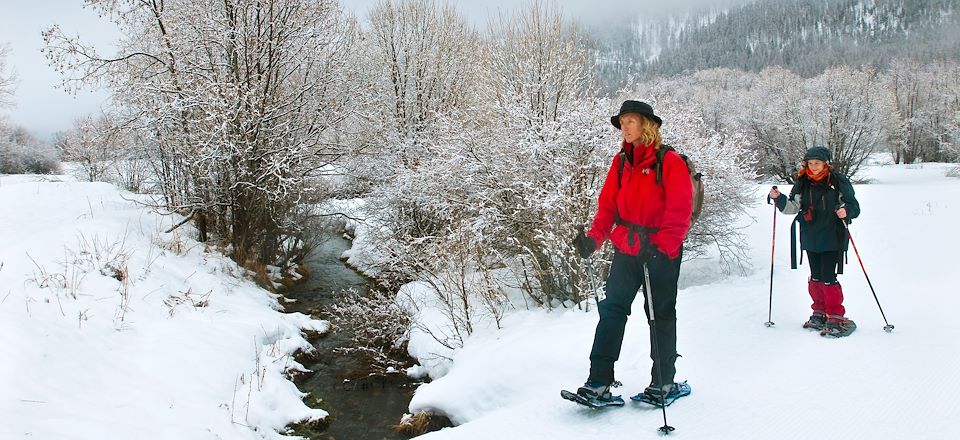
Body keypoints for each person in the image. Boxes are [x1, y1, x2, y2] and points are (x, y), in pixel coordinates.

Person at [570, 100, 694, 406]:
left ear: (646, 125)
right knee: (612, 310)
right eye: (622, 122)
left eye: (630, 121)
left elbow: (680, 211)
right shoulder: (621, 162)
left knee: (659, 315)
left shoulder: (670, 161)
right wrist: (592, 240)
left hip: (659, 254)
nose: (624, 127)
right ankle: (598, 382)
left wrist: (663, 247)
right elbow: (608, 207)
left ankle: (663, 383)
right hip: (626, 250)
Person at [769, 146, 861, 337]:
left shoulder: (837, 181)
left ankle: (835, 315)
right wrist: (778, 199)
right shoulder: (803, 182)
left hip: (833, 236)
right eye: (810, 163)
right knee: (816, 276)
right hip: (810, 236)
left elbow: (854, 207)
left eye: (817, 163)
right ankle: (819, 312)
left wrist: (847, 212)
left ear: (826, 163)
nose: (814, 167)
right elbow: (792, 207)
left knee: (828, 276)